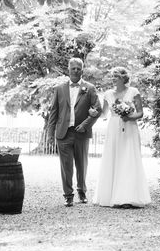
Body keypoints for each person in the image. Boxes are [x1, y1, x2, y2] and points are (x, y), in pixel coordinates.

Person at [47, 57, 102, 207]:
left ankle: (82, 192)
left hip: (81, 133)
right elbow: (53, 113)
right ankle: (68, 195)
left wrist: (85, 125)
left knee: (82, 164)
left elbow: (98, 109)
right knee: (66, 166)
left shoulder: (89, 88)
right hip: (63, 133)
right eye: (73, 69)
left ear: (82, 70)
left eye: (79, 68)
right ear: (68, 70)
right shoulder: (59, 89)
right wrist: (50, 134)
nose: (76, 71)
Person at [93, 66, 150, 208]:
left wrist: (129, 117)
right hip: (113, 129)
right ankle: (111, 196)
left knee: (128, 159)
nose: (113, 78)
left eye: (116, 76)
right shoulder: (107, 94)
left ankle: (128, 197)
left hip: (129, 129)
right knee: (114, 159)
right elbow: (104, 114)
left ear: (123, 78)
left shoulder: (133, 92)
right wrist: (94, 113)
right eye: (112, 76)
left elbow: (140, 113)